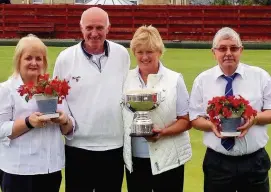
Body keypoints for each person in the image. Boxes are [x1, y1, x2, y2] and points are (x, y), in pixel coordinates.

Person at [53, 7, 130, 192]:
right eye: (89, 28)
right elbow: (58, 99)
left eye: (99, 27)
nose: (94, 33)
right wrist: (66, 125)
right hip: (78, 147)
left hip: (114, 147)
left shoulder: (122, 54)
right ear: (81, 28)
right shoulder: (65, 58)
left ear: (108, 28)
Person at [189, 27, 271, 192]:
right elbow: (194, 119)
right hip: (217, 162)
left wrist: (254, 119)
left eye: (233, 48)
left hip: (254, 162)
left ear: (241, 50)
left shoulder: (260, 77)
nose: (228, 53)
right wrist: (212, 125)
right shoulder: (202, 80)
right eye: (222, 48)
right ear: (214, 52)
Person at [0, 34, 74, 192]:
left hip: (50, 169)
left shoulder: (55, 89)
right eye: (28, 58)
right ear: (19, 60)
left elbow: (69, 127)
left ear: (44, 62)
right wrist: (28, 122)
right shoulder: (6, 90)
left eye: (39, 59)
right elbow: (1, 129)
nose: (34, 63)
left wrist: (64, 120)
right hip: (19, 171)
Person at [122, 25, 192, 192]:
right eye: (140, 52)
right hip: (135, 160)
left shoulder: (175, 79)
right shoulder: (125, 79)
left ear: (159, 51)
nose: (145, 57)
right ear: (134, 53)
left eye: (150, 51)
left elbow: (186, 120)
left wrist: (163, 132)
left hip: (169, 159)